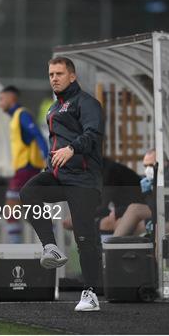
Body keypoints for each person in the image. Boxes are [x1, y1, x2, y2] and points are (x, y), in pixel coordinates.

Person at [20, 57, 104, 312]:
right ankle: (51, 247)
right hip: (58, 175)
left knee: (84, 237)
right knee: (28, 192)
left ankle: (90, 293)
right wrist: (50, 165)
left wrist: (72, 149)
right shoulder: (52, 109)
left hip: (83, 179)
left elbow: (92, 135)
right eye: (50, 74)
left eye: (59, 73)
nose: (54, 78)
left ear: (72, 76)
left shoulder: (87, 103)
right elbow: (55, 144)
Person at [0, 85, 48, 243]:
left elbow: (37, 134)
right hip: (25, 169)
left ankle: (16, 250)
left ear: (12, 98)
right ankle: (50, 241)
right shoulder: (16, 117)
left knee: (11, 208)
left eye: (1, 99)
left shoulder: (22, 115)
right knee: (31, 210)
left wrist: (46, 155)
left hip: (27, 168)